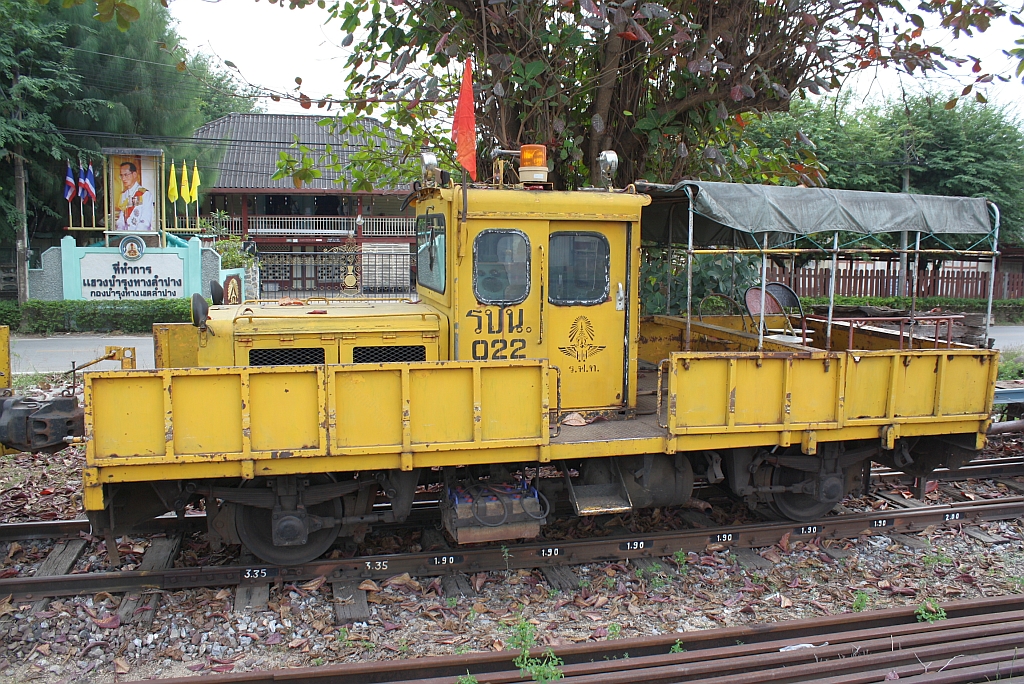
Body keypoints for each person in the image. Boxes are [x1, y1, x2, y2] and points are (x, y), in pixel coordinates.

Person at [115, 161, 154, 231]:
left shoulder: (145, 194)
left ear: (134, 174)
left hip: (141, 235)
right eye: (121, 175)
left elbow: (145, 220)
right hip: (126, 236)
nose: (123, 179)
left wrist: (134, 235)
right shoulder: (123, 195)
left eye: (126, 175)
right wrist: (120, 232)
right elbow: (121, 219)